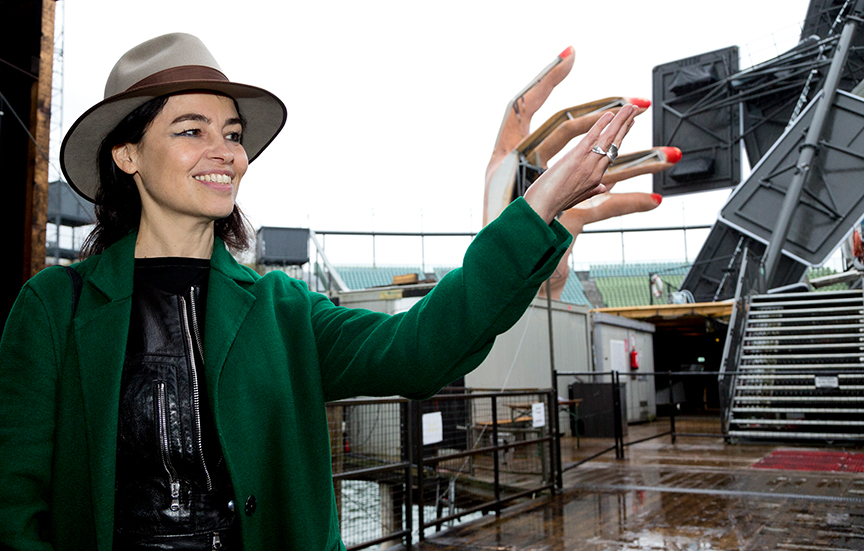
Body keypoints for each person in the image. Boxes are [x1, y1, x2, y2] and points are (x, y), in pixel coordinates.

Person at [0, 33, 638, 550]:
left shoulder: (284, 310)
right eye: (191, 130)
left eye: (232, 131)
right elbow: (18, 504)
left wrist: (534, 211)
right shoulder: (55, 309)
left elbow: (419, 350)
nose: (226, 151)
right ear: (127, 155)